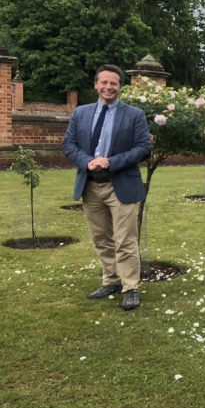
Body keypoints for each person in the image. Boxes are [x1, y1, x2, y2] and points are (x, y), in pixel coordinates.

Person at [62, 65, 152, 311]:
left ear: (120, 87)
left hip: (119, 184)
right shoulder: (80, 113)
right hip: (90, 186)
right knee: (101, 238)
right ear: (96, 85)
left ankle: (130, 287)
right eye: (104, 83)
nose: (108, 87)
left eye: (113, 83)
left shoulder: (134, 114)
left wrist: (110, 162)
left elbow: (143, 148)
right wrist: (87, 161)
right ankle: (111, 280)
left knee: (125, 240)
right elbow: (68, 144)